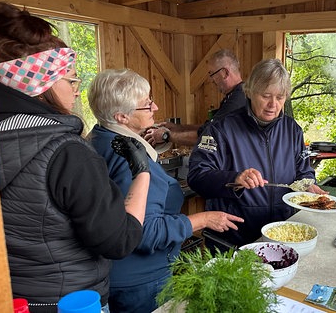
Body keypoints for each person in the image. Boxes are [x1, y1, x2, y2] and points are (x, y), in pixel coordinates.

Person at [0, 2, 150, 312]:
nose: (77, 90)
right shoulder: (67, 152)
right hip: (73, 302)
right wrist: (141, 172)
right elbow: (119, 240)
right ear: (43, 84)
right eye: (72, 79)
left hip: (12, 299)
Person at [87, 68, 244, 313]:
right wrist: (203, 219)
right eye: (147, 104)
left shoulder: (99, 139)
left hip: (114, 275)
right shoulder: (128, 160)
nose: (156, 107)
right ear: (121, 117)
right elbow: (143, 232)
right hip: (141, 281)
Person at [187, 59, 326, 249]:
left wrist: (309, 185)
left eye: (279, 97)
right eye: (266, 95)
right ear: (250, 92)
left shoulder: (292, 130)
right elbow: (197, 176)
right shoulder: (221, 129)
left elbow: (304, 171)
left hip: (280, 234)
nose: (273, 104)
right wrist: (235, 178)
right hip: (234, 237)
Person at [144, 49, 247, 146]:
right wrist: (179, 128)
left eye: (212, 74)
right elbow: (208, 128)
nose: (211, 80)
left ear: (225, 73)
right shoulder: (234, 95)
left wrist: (166, 136)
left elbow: (208, 136)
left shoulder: (237, 100)